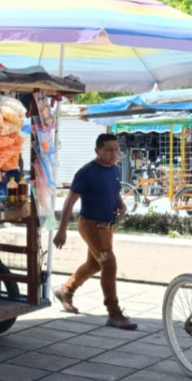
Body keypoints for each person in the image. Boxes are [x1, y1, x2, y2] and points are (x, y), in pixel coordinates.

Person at [54, 132, 137, 330]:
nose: (114, 154)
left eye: (116, 149)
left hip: (108, 226)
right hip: (91, 224)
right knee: (109, 264)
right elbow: (69, 202)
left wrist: (121, 205)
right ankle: (114, 313)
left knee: (95, 264)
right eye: (109, 150)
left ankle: (65, 290)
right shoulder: (86, 172)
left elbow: (113, 191)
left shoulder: (115, 169)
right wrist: (62, 230)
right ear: (97, 150)